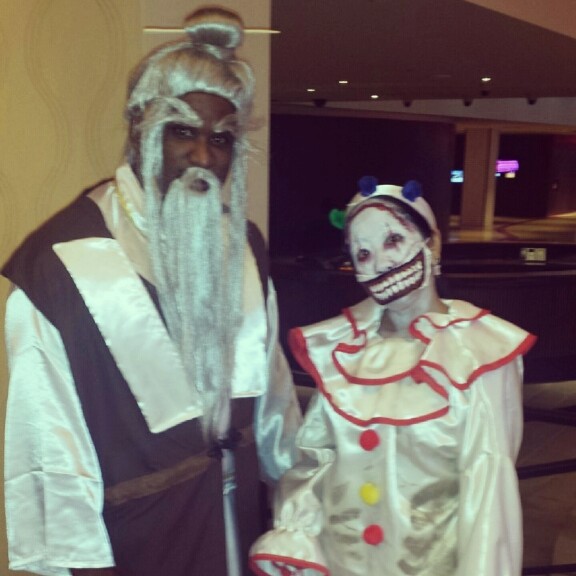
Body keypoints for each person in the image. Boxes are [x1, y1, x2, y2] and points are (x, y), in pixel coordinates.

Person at [2, 7, 302, 576]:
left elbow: (274, 403)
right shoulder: (60, 268)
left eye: (222, 138)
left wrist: (299, 508)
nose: (204, 157)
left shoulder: (244, 248)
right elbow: (48, 453)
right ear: (141, 125)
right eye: (183, 131)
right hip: (136, 548)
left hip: (238, 527)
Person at [250, 176, 536, 576]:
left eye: (393, 241)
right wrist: (298, 533)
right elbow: (316, 460)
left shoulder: (478, 354)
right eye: (363, 253)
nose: (380, 264)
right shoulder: (340, 350)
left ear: (432, 244)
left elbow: (489, 493)